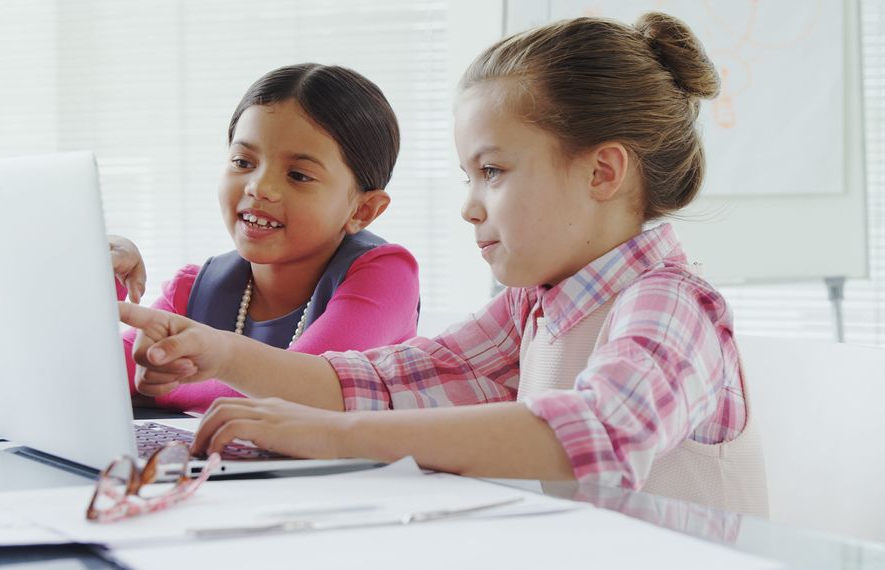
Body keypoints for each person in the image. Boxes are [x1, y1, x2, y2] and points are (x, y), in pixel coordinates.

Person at [120, 13, 767, 515]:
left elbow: (597, 436)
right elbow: (383, 383)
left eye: (492, 172)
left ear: (602, 171)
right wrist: (220, 353)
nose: (469, 207)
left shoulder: (675, 303)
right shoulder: (531, 309)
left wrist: (336, 436)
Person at [111, 63, 420, 414]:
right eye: (243, 162)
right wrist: (100, 283)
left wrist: (163, 386)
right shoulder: (192, 289)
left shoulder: (386, 274)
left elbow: (309, 391)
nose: (259, 187)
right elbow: (94, 377)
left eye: (299, 175)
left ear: (362, 211)